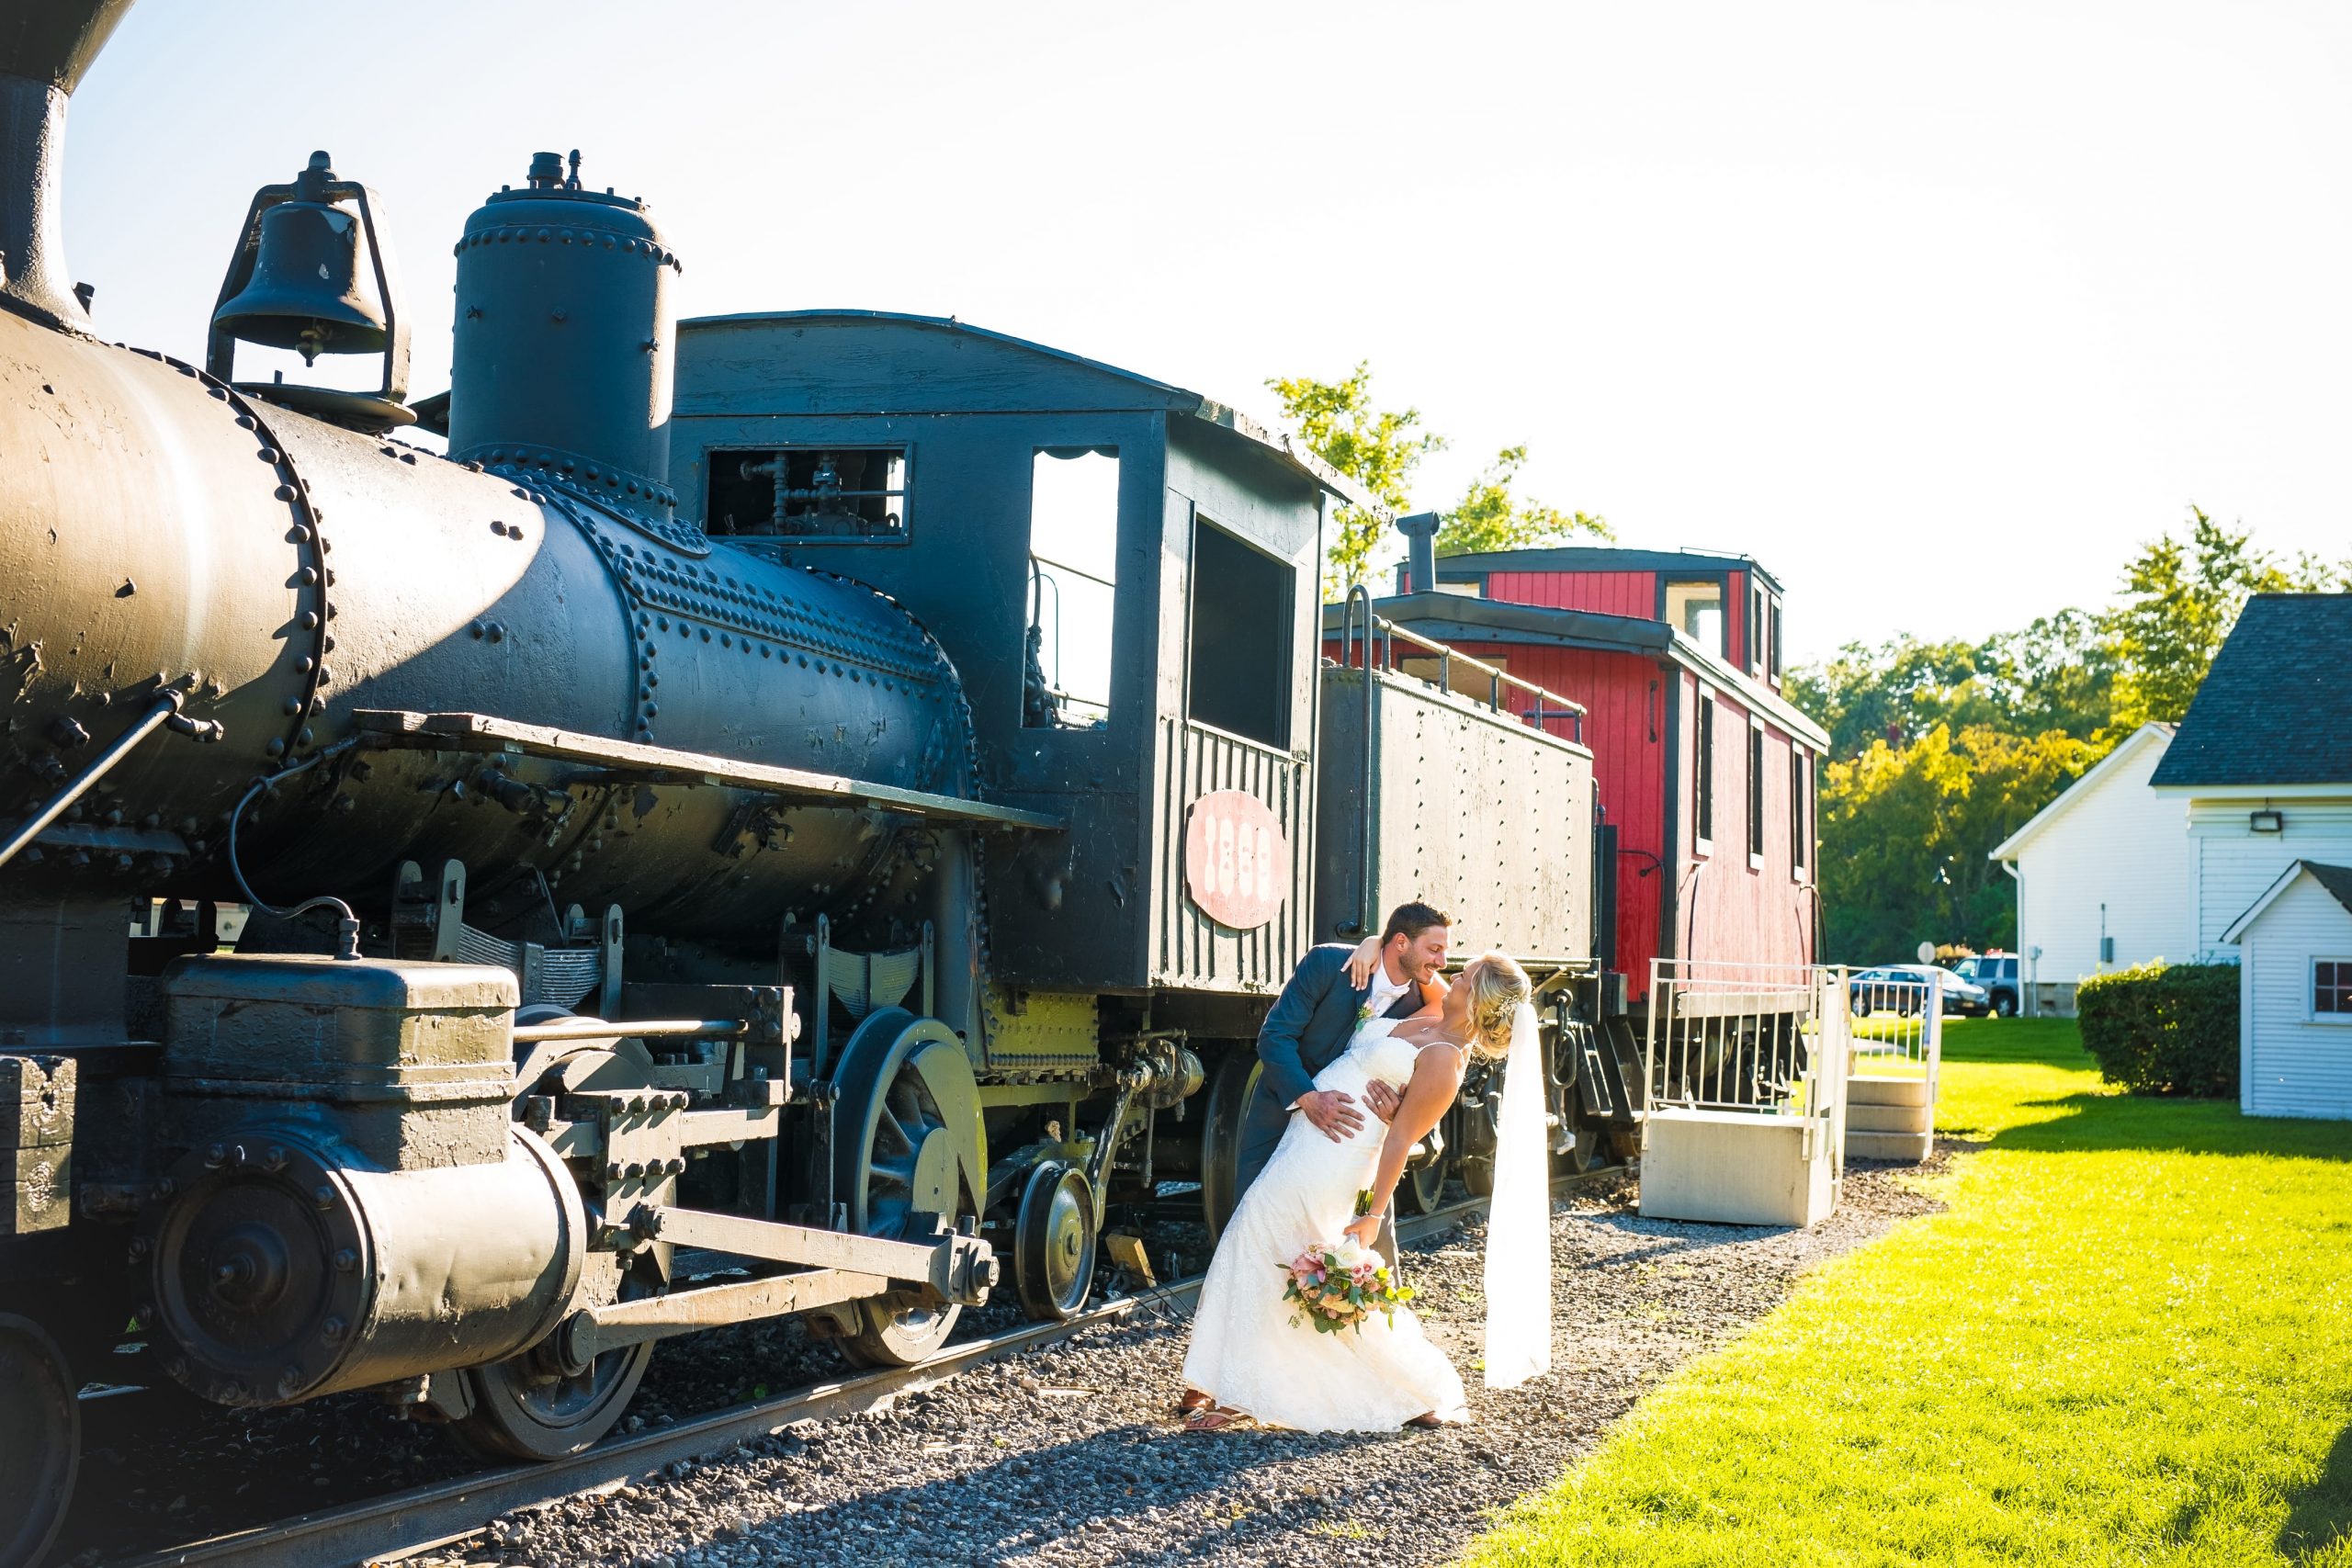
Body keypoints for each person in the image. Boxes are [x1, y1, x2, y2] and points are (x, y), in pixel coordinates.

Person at [1178, 952, 1545, 1432]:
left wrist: (1373, 1215)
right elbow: (1415, 967)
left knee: (1265, 1242)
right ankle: (1210, 1379)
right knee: (1254, 1238)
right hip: (1308, 1137)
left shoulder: (1446, 1060)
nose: (1453, 976)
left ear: (1477, 999)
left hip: (1338, 1156)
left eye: (1466, 977)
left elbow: (1400, 1138)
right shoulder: (1436, 1008)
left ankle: (1236, 1392)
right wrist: (1375, 939)